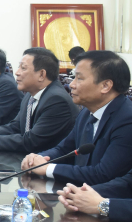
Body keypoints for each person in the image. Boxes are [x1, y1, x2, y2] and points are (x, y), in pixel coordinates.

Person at [22, 50, 132, 185]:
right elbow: (64, 149)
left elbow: (103, 174)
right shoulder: (86, 113)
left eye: (79, 78)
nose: (71, 84)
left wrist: (48, 168)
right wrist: (37, 159)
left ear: (105, 86)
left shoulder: (126, 120)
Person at [0, 47, 79, 152]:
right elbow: (15, 126)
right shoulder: (30, 95)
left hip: (46, 162)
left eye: (23, 68)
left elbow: (31, 141)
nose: (17, 72)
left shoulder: (56, 100)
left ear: (41, 74)